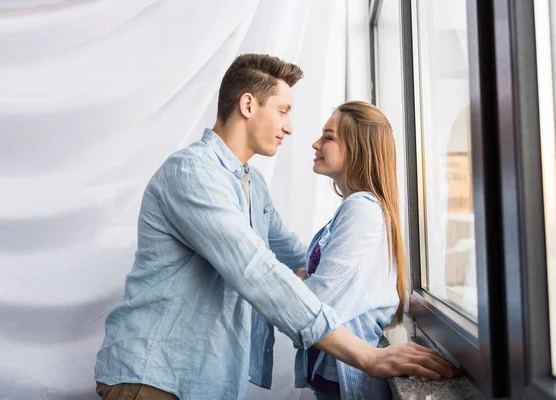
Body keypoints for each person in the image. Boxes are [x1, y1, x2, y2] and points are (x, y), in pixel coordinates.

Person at [94, 54, 456, 400]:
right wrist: (365, 355)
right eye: (283, 111)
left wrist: (356, 277)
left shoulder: (252, 185)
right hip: (154, 379)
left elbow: (295, 254)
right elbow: (257, 271)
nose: (290, 127)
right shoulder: (193, 173)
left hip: (205, 380)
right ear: (248, 105)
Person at [294, 101, 414, 400]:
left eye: (328, 137)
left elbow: (315, 300)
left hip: (348, 380)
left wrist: (299, 282)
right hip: (334, 372)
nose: (316, 143)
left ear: (357, 148)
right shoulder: (356, 208)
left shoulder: (361, 209)